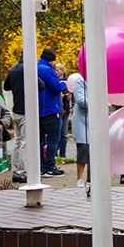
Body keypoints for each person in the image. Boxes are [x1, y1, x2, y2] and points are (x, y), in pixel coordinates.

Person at [2, 53, 44, 184]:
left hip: (16, 110)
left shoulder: (13, 70)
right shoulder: (29, 70)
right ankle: (23, 172)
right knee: (25, 143)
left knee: (17, 142)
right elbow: (41, 85)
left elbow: (6, 86)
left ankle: (16, 171)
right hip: (27, 110)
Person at [37, 49, 67, 178]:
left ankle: (41, 166)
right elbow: (55, 87)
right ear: (52, 60)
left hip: (39, 110)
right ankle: (49, 166)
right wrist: (63, 85)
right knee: (53, 139)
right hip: (50, 109)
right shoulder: (47, 69)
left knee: (40, 140)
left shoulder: (36, 67)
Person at [71, 74, 89, 190]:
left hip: (95, 121)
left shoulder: (101, 80)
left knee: (94, 152)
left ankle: (91, 179)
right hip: (82, 121)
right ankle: (79, 179)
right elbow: (81, 100)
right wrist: (99, 102)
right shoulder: (80, 82)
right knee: (83, 149)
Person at [55, 63, 71, 159]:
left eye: (58, 70)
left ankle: (63, 153)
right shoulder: (54, 81)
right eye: (55, 70)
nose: (56, 72)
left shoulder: (68, 81)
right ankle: (55, 153)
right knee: (57, 132)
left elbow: (73, 94)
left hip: (66, 108)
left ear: (62, 71)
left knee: (64, 134)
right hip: (57, 110)